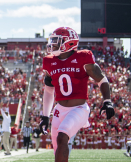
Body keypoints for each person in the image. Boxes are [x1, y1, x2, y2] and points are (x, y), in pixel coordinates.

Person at [38, 27, 115, 162]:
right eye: (53, 41)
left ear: (69, 42)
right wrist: (45, 116)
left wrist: (107, 100)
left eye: (56, 41)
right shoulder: (50, 61)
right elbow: (49, 89)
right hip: (59, 110)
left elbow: (102, 79)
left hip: (78, 108)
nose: (52, 44)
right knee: (57, 147)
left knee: (62, 137)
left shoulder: (83, 57)